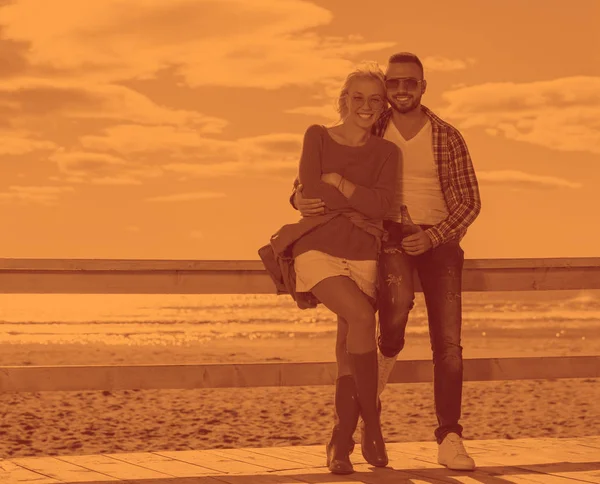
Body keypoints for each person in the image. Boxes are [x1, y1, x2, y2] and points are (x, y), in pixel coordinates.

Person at [291, 52, 482, 471]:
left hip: (439, 238)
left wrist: (431, 235)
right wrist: (300, 197)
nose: (399, 91)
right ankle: (380, 370)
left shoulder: (446, 136)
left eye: (409, 83)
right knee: (392, 314)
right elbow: (311, 179)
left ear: (423, 86)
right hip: (385, 235)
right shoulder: (370, 125)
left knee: (448, 343)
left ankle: (449, 436)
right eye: (393, 83)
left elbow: (470, 202)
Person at [260, 63, 400, 475]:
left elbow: (383, 206)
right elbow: (311, 190)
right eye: (358, 97)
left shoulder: (387, 152)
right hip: (317, 246)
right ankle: (372, 426)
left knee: (348, 351)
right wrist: (346, 194)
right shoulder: (316, 135)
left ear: (382, 105)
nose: (366, 106)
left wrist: (339, 183)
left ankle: (340, 442)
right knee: (360, 316)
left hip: (363, 253)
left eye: (375, 99)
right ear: (344, 99)